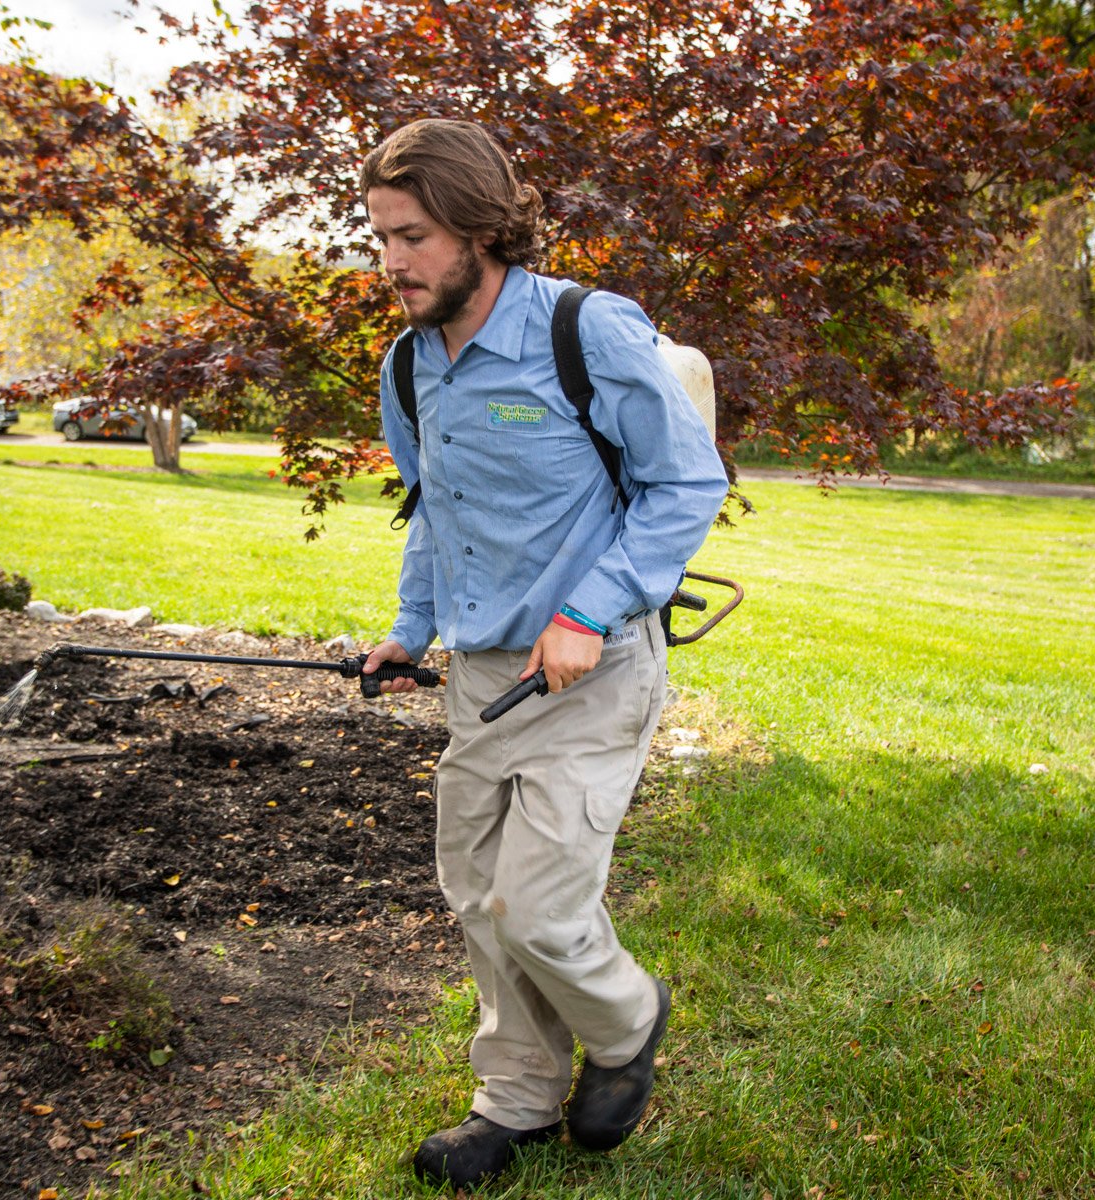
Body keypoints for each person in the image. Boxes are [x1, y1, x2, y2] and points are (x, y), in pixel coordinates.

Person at [357, 119, 729, 1189]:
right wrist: (409, 630)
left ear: (479, 224)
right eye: (381, 236)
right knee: (477, 895)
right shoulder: (410, 362)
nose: (393, 262)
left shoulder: (586, 330)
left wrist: (590, 610)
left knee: (538, 903)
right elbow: (434, 510)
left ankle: (626, 1021)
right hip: (484, 675)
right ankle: (514, 1100)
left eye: (414, 235)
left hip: (593, 668)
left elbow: (685, 484)